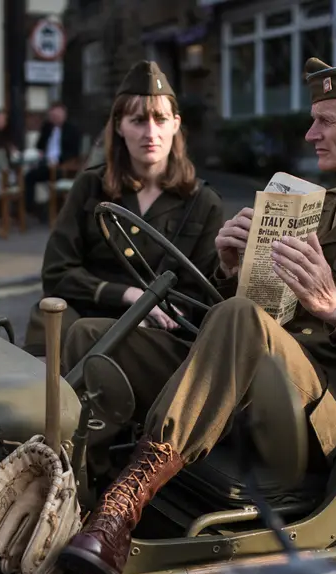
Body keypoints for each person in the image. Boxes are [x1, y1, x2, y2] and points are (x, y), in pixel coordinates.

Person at [57, 49, 336, 574]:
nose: (310, 133)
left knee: (237, 320)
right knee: (95, 336)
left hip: (335, 416)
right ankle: (67, 482)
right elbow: (263, 310)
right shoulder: (313, 204)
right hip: (266, 382)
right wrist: (234, 268)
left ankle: (121, 506)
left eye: (326, 121)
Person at [23, 60, 224, 359]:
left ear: (176, 124)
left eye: (160, 119)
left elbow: (201, 295)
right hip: (85, 319)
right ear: (119, 125)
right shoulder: (91, 187)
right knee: (60, 331)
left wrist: (156, 313)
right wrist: (130, 296)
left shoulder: (203, 202)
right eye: (138, 120)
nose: (151, 132)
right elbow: (57, 272)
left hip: (159, 333)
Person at [24, 101, 83, 220]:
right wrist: (40, 154)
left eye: (57, 116)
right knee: (29, 176)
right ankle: (29, 209)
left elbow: (74, 152)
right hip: (46, 164)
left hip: (63, 166)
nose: (55, 118)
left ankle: (54, 210)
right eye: (53, 116)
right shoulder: (47, 128)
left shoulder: (72, 129)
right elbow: (39, 146)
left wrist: (59, 161)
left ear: (64, 115)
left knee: (56, 183)